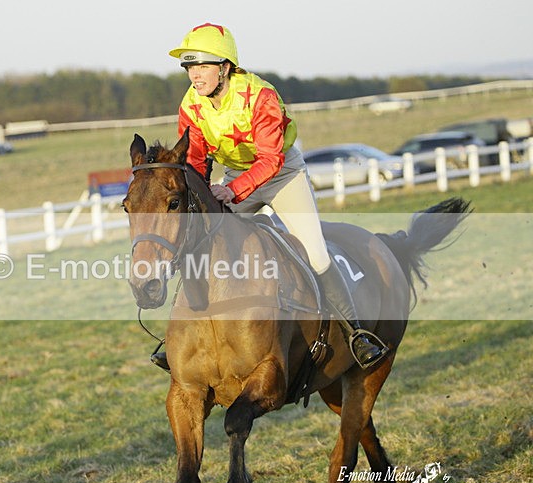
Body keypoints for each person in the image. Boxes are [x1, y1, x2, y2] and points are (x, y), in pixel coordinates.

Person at [151, 22, 388, 371]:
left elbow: (270, 160)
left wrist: (231, 190)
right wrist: (203, 199)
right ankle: (180, 335)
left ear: (225, 67)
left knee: (317, 255)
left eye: (202, 66)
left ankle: (356, 333)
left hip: (282, 176)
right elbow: (197, 160)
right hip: (234, 178)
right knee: (202, 243)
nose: (194, 75)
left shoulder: (261, 96)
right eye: (189, 67)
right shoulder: (191, 106)